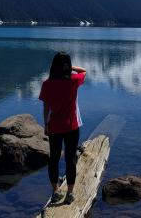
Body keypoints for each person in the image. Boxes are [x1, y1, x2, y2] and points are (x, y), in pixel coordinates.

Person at [39, 51, 87, 204]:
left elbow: (46, 108)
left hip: (54, 126)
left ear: (54, 66)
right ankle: (70, 194)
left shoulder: (47, 84)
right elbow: (83, 71)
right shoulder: (74, 80)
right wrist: (70, 67)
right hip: (72, 126)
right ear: (67, 66)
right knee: (70, 159)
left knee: (53, 159)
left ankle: (55, 191)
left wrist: (46, 125)